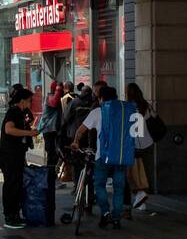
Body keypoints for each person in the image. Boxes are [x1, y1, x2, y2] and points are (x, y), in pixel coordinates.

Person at [73, 84, 135, 230]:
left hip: (103, 157)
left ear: (101, 98)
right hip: (120, 156)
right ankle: (116, 218)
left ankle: (105, 212)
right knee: (119, 188)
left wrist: (75, 142)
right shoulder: (125, 112)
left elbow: (80, 131)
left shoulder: (97, 112)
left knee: (99, 185)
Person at [0, 85, 37, 229]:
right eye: (29, 101)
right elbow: (9, 130)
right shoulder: (14, 112)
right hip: (9, 154)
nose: (30, 104)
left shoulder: (22, 113)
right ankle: (10, 216)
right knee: (11, 184)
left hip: (17, 154)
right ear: (22, 101)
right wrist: (28, 134)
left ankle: (15, 214)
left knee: (16, 184)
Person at [126, 82, 155, 211]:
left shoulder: (126, 107)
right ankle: (142, 196)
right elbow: (154, 117)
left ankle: (139, 194)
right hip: (147, 143)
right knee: (146, 170)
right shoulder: (146, 106)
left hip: (133, 144)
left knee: (132, 172)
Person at [38, 82, 64, 184]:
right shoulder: (50, 98)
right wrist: (58, 89)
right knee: (51, 154)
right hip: (48, 130)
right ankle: (50, 178)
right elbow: (53, 102)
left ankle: (52, 176)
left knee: (55, 154)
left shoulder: (55, 99)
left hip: (53, 130)